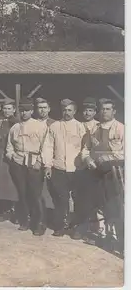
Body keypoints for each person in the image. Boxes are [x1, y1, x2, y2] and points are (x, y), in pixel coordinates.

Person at [76, 99, 124, 251]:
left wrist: (110, 158)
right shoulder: (93, 129)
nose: (105, 112)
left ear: (114, 111)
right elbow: (85, 148)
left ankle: (117, 238)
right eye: (103, 109)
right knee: (97, 203)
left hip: (114, 172)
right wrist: (88, 159)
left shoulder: (121, 128)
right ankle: (101, 234)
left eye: (108, 109)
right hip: (95, 171)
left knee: (114, 205)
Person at [42, 99, 87, 237]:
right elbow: (48, 147)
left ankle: (76, 227)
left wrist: (83, 164)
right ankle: (60, 226)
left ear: (74, 111)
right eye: (64, 110)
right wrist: (48, 165)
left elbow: (85, 147)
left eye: (69, 110)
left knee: (78, 198)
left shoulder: (80, 127)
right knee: (61, 198)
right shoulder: (54, 126)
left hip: (76, 168)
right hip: (59, 168)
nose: (67, 113)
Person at [6, 98, 48, 236]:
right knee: (22, 194)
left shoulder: (40, 126)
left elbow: (45, 146)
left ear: (31, 111)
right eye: (22, 111)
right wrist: (11, 157)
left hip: (34, 163)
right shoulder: (15, 128)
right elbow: (9, 146)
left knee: (35, 194)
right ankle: (25, 221)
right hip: (18, 163)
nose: (24, 113)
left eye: (27, 111)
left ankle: (39, 223)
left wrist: (40, 162)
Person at [79, 97, 102, 234]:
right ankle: (81, 224)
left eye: (90, 110)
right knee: (79, 197)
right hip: (78, 166)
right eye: (85, 110)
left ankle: (96, 227)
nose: (87, 113)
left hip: (93, 167)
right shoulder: (78, 125)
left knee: (94, 198)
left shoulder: (98, 127)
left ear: (95, 112)